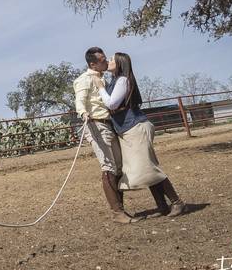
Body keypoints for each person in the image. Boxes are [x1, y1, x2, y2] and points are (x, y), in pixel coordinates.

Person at [98, 52, 186, 217]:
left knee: (149, 167)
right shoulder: (116, 80)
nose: (109, 61)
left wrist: (100, 88)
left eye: (111, 59)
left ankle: (177, 202)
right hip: (128, 129)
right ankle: (163, 206)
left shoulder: (123, 80)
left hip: (135, 128)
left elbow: (112, 103)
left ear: (119, 63)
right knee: (146, 169)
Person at [73, 47, 139, 224]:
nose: (105, 62)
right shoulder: (84, 80)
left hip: (109, 124)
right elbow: (80, 100)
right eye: (102, 60)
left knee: (118, 166)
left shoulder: (104, 79)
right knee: (108, 166)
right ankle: (117, 212)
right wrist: (83, 113)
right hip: (95, 123)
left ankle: (120, 209)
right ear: (92, 63)